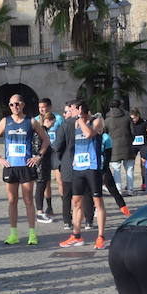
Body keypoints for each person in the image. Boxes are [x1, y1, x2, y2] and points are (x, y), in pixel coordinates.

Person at [0, 94, 50, 246]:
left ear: (22, 105)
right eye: (11, 104)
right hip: (10, 167)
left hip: (26, 166)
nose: (14, 107)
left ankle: (32, 234)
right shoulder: (5, 121)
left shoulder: (31, 121)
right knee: (12, 201)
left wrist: (39, 156)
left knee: (28, 200)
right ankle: (13, 234)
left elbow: (46, 139)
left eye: (17, 104)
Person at [57, 100, 110, 249]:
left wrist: (80, 119)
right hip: (78, 169)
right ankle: (76, 235)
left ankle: (100, 237)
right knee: (76, 202)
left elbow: (88, 134)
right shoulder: (74, 123)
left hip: (92, 168)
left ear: (80, 110)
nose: (70, 112)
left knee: (97, 202)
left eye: (72, 109)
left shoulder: (97, 120)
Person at [103, 99, 133, 193]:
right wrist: (130, 140)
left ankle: (119, 189)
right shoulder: (127, 118)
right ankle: (130, 189)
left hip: (114, 147)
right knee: (129, 168)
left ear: (110, 108)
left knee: (116, 169)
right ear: (120, 106)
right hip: (127, 145)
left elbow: (104, 134)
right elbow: (133, 132)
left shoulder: (107, 120)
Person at [34, 110, 59, 222]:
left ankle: (40, 211)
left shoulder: (43, 131)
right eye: (52, 123)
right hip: (41, 164)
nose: (53, 125)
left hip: (44, 164)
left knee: (42, 187)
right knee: (40, 187)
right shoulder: (42, 132)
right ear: (47, 121)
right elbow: (38, 148)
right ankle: (39, 212)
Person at [128, 108, 147, 193]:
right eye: (131, 118)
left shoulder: (144, 122)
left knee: (143, 164)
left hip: (143, 145)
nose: (133, 120)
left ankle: (144, 182)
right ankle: (129, 183)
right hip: (133, 145)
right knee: (130, 164)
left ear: (138, 116)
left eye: (134, 118)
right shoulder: (130, 123)